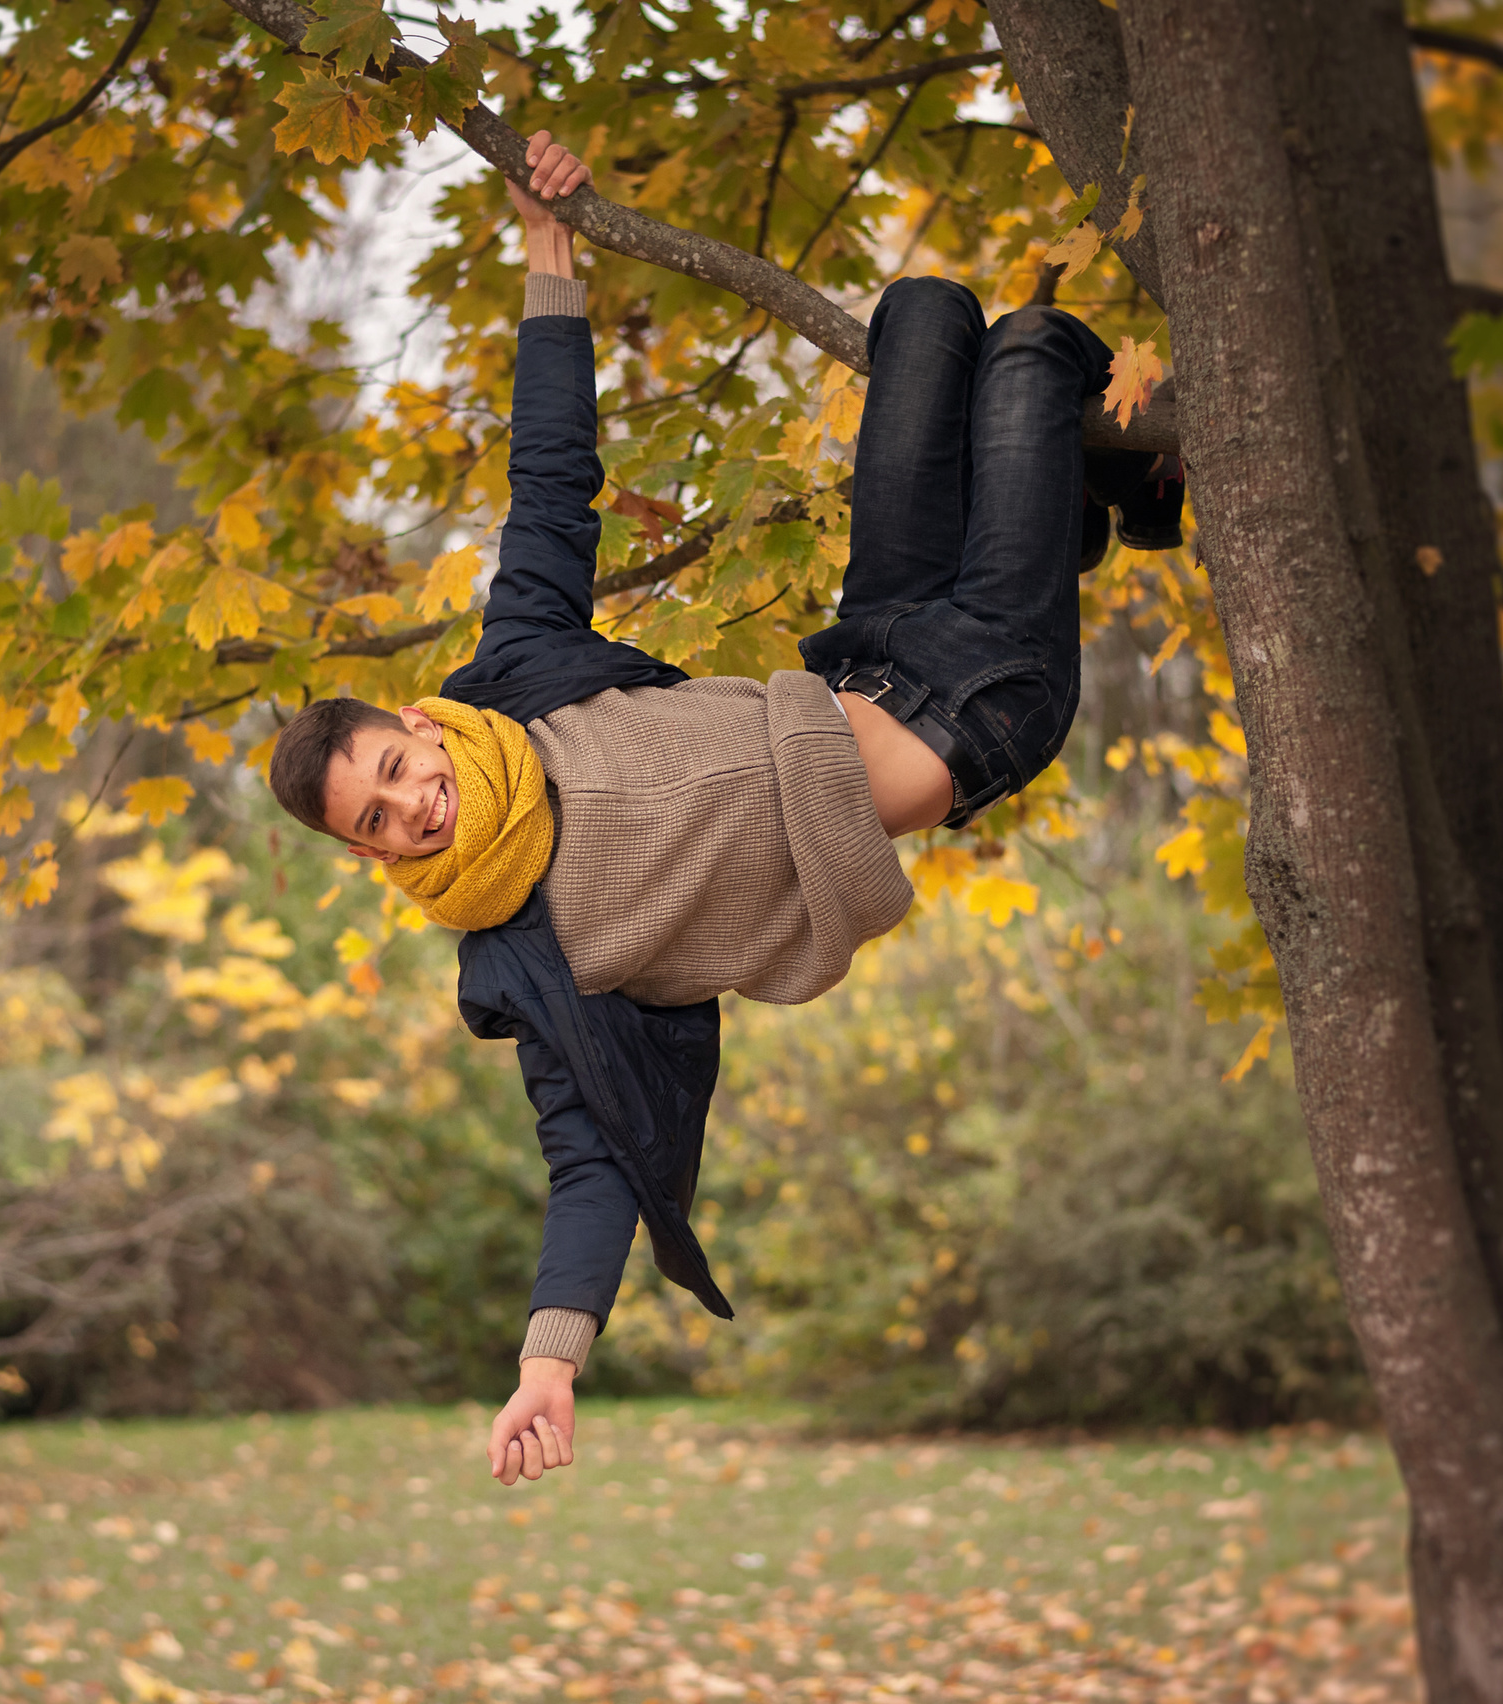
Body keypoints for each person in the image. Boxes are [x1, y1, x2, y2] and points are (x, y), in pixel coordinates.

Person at [261, 135, 1180, 1485]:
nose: (422, 810)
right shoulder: (528, 963)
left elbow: (551, 487)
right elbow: (590, 1169)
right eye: (386, 826)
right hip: (969, 706)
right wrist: (547, 1364)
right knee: (1034, 351)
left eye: (401, 774)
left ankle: (1088, 506)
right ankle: (1130, 492)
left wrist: (549, 253)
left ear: (411, 726)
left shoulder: (508, 677)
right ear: (365, 856)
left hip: (865, 647)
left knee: (924, 320)